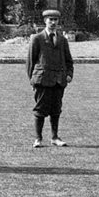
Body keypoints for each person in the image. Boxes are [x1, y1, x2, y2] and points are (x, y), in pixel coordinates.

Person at [27, 9, 74, 148]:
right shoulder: (37, 39)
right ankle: (38, 138)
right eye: (50, 20)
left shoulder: (62, 40)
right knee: (40, 110)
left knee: (56, 110)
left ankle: (55, 137)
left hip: (59, 81)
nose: (53, 23)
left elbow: (69, 61)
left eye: (55, 20)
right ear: (45, 21)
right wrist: (32, 80)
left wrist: (69, 74)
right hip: (42, 80)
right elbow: (30, 61)